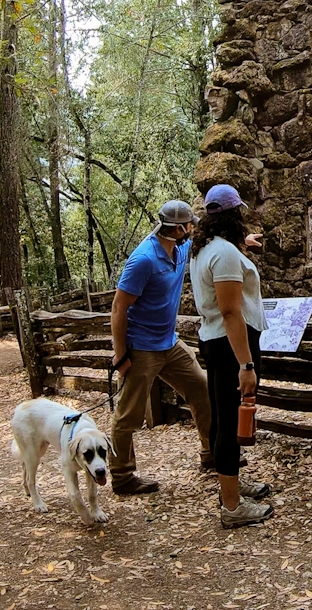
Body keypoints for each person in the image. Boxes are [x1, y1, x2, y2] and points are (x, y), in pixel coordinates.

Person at [108, 199, 214, 495]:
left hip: (170, 342)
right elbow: (118, 308)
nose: (193, 227)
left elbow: (206, 243)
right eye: (189, 224)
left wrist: (241, 239)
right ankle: (122, 476)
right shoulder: (143, 260)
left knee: (201, 388)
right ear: (178, 228)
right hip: (141, 347)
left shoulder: (180, 249)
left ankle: (211, 453)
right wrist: (120, 355)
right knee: (129, 413)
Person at [189, 183, 275, 529]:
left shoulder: (207, 247)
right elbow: (230, 311)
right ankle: (232, 506)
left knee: (224, 417)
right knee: (228, 424)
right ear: (234, 214)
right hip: (229, 345)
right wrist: (246, 364)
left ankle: (233, 484)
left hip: (217, 341)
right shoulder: (223, 254)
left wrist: (244, 246)